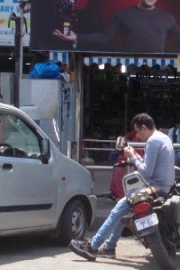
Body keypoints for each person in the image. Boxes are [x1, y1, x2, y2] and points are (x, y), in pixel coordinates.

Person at [70, 112, 174, 261]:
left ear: (144, 128)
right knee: (122, 209)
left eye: (137, 131)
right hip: (163, 187)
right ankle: (109, 246)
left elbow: (145, 172)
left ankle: (92, 247)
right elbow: (148, 166)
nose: (137, 136)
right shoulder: (164, 138)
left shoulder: (153, 141)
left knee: (117, 209)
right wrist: (135, 156)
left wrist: (132, 156)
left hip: (154, 188)